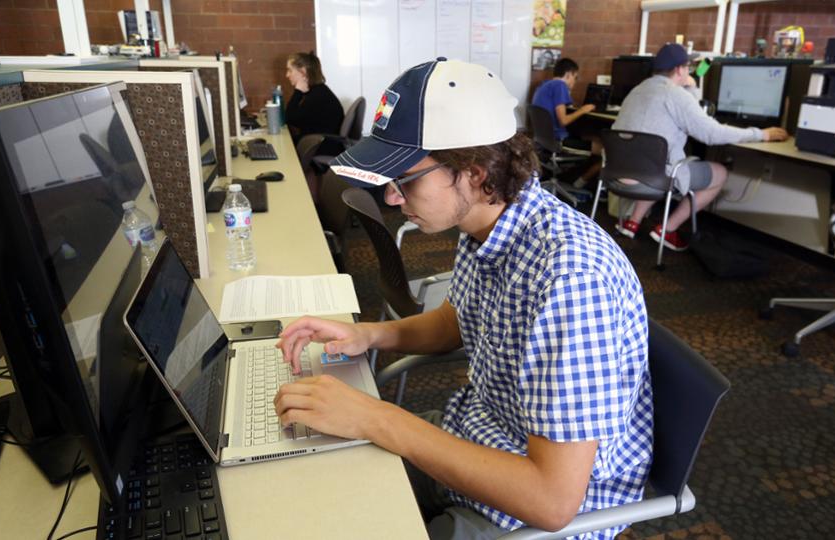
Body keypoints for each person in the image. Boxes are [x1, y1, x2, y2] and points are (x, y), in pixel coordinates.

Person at [274, 59, 653, 539]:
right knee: (318, 482)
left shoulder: (571, 280)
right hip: (479, 432)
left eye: (404, 180)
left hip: (532, 506)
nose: (392, 199)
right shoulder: (484, 222)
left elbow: (552, 501)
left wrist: (377, 417)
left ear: (474, 173)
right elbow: (457, 320)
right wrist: (366, 334)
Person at [611, 43, 789, 251]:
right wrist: (762, 134)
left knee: (654, 162)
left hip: (619, 174)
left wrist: (690, 88)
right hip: (654, 177)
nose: (689, 71)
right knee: (719, 172)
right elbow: (711, 134)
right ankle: (667, 229)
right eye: (688, 67)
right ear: (680, 69)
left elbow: (691, 116)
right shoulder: (675, 95)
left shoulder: (637, 90)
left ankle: (633, 222)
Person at [531, 57, 601, 189]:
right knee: (604, 149)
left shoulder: (543, 85)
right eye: (575, 77)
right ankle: (580, 183)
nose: (575, 81)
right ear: (568, 74)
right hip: (559, 140)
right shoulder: (560, 86)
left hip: (544, 140)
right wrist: (583, 110)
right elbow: (563, 120)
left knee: (591, 138)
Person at [283, 51, 344, 145]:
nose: (287, 75)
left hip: (322, 145)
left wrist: (298, 91)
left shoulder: (317, 96)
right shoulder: (318, 90)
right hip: (319, 141)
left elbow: (290, 118)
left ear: (303, 72)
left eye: (290, 70)